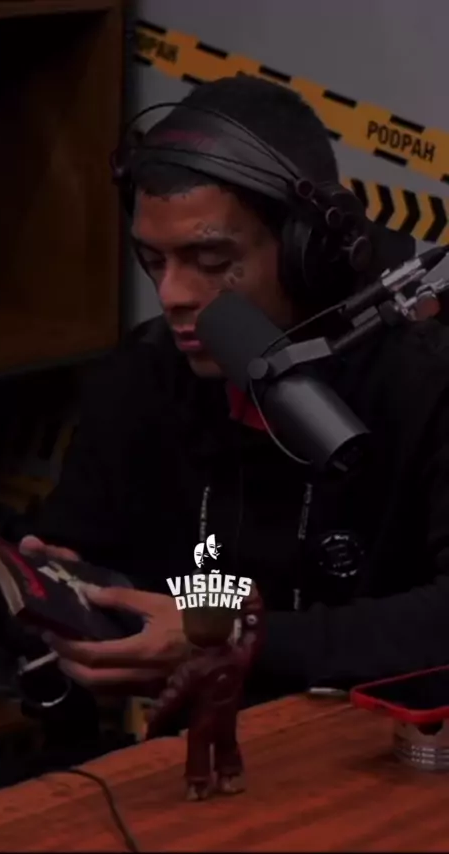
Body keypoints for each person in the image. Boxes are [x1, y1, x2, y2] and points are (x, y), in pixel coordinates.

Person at [22, 76, 449, 699]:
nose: (172, 295)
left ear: (308, 252)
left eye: (212, 262)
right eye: (154, 261)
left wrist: (240, 638)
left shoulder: (424, 381)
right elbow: (81, 545)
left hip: (373, 742)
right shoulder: (142, 374)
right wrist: (62, 590)